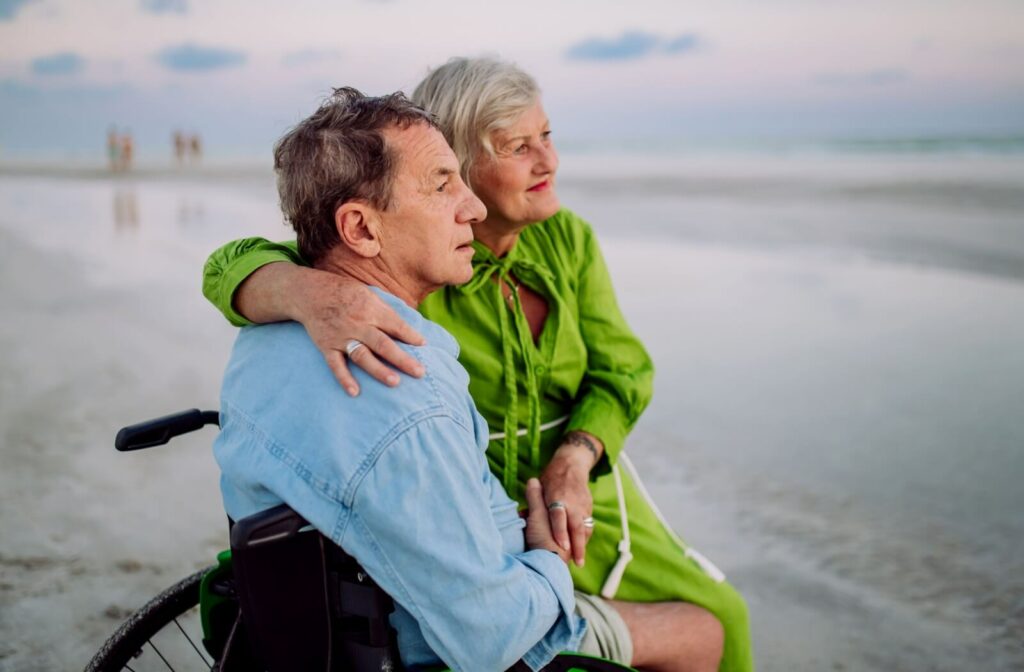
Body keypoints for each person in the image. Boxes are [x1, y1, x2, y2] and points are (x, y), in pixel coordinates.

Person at [205, 58, 748, 672]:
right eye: (518, 146)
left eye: (548, 136)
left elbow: (623, 371)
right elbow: (254, 262)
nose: (548, 161)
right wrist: (308, 294)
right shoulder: (411, 280)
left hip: (571, 492)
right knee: (684, 633)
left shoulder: (562, 241)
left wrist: (577, 456)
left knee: (725, 612)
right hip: (466, 519)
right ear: (466, 160)